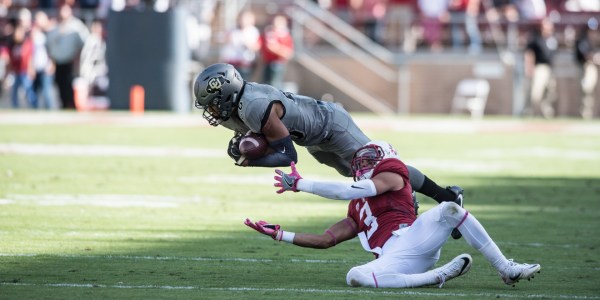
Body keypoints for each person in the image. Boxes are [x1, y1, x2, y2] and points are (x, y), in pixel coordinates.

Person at [193, 63, 465, 239]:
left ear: (227, 93)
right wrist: (241, 147)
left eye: (214, 104)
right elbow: (257, 139)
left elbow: (288, 156)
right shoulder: (235, 111)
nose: (213, 111)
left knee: (381, 172)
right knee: (363, 180)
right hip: (313, 140)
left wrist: (248, 161)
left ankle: (446, 196)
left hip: (331, 125)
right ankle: (416, 198)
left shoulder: (253, 106)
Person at [245, 141, 541, 288]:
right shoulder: (356, 210)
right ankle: (435, 277)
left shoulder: (392, 176)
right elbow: (325, 240)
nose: (364, 164)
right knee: (354, 276)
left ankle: (506, 268)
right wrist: (281, 234)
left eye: (371, 159)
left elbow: (348, 190)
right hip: (396, 259)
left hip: (414, 238)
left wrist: (301, 184)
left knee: (449, 208)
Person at [46, 4, 89, 109]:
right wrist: (51, 59)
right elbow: (49, 44)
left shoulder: (76, 26)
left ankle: (71, 105)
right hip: (58, 62)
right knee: (60, 84)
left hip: (71, 61)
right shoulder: (54, 26)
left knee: (69, 85)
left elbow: (85, 42)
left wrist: (78, 57)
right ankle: (64, 105)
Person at [523, 18, 557, 118]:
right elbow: (529, 53)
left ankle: (546, 113)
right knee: (535, 92)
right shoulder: (536, 39)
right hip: (539, 67)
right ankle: (530, 112)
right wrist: (529, 67)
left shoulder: (552, 39)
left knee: (550, 92)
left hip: (549, 68)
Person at [220, 10, 261, 81]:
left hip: (245, 64)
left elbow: (257, 47)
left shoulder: (253, 31)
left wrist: (248, 44)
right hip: (232, 63)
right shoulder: (232, 30)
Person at [259, 14, 294, 89]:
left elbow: (288, 53)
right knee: (265, 84)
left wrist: (276, 49)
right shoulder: (269, 33)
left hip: (277, 63)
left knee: (274, 85)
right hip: (267, 62)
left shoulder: (285, 36)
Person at [574, 19, 599, 120]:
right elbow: (584, 55)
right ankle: (584, 114)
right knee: (586, 89)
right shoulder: (582, 40)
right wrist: (594, 58)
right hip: (586, 67)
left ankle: (589, 113)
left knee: (591, 91)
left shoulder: (592, 40)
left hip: (593, 68)